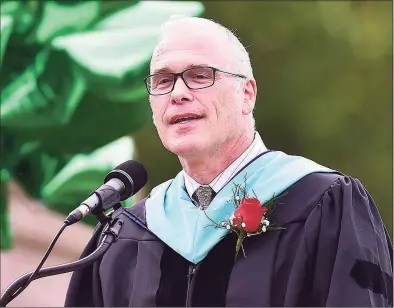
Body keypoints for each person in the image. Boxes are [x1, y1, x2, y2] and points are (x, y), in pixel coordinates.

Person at [65, 16, 393, 307]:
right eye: (163, 81)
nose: (177, 93)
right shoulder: (125, 235)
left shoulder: (323, 204)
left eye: (199, 75)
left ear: (247, 94)